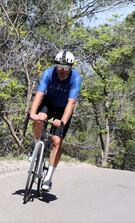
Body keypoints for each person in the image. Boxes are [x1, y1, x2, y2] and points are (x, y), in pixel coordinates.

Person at [29, 50, 82, 192]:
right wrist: (33, 113)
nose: (62, 71)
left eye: (66, 68)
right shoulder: (48, 73)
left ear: (71, 68)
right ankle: (35, 149)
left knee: (56, 141)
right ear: (56, 66)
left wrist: (63, 121)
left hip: (63, 109)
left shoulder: (76, 78)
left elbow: (71, 103)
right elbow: (39, 94)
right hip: (49, 103)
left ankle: (48, 178)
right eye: (60, 67)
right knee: (39, 119)